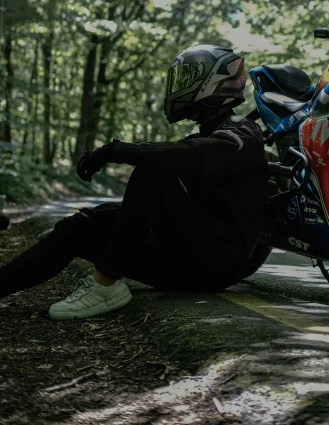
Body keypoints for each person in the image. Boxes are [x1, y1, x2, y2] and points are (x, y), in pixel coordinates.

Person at [0, 45, 268, 319]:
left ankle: (105, 286)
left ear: (214, 82)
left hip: (214, 266)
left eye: (189, 78)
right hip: (180, 256)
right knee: (78, 227)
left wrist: (114, 151)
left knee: (154, 168)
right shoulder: (209, 137)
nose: (179, 86)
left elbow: (181, 157)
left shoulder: (244, 135)